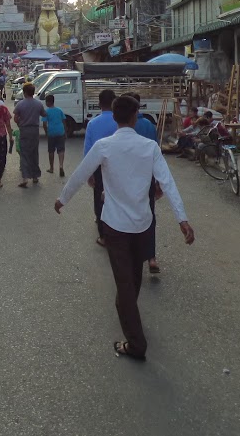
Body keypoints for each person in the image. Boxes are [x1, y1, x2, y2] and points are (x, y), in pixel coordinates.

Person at [55, 95, 195, 362]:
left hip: (115, 227)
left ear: (116, 117)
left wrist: (63, 199)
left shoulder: (104, 145)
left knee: (125, 285)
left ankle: (136, 343)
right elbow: (168, 183)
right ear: (135, 116)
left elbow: (80, 174)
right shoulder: (149, 147)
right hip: (142, 224)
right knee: (131, 279)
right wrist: (182, 219)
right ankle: (132, 325)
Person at [131, 93, 161, 274]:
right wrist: (158, 180)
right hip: (147, 178)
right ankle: (151, 258)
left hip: (127, 179)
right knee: (149, 215)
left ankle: (132, 256)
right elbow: (157, 154)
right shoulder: (149, 125)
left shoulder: (124, 127)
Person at [85, 89, 118, 246]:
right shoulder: (120, 122)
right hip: (118, 167)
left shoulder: (93, 123)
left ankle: (104, 235)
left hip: (99, 167)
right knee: (117, 197)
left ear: (99, 104)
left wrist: (89, 173)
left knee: (99, 198)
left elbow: (88, 151)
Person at [13, 82, 46, 188]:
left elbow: (15, 118)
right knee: (34, 153)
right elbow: (44, 114)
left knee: (24, 154)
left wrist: (20, 124)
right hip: (35, 130)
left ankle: (25, 178)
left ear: (25, 92)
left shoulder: (20, 104)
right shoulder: (38, 104)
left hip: (24, 130)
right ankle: (35, 176)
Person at [42, 94, 67, 177]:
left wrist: (46, 132)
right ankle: (61, 166)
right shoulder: (59, 110)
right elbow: (64, 121)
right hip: (60, 131)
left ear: (48, 102)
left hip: (51, 132)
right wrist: (65, 132)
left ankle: (52, 168)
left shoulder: (46, 112)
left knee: (51, 150)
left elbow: (44, 124)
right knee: (61, 150)